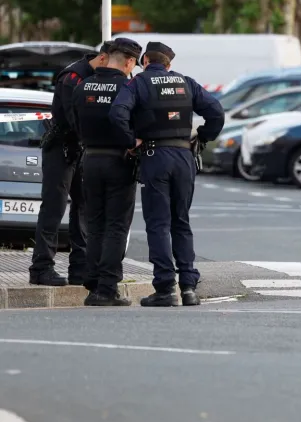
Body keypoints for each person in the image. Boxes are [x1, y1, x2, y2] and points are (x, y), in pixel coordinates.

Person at [109, 42, 225, 307]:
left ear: (145, 61)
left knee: (159, 224)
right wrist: (203, 137)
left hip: (154, 157)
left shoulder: (139, 83)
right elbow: (216, 112)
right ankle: (188, 288)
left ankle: (164, 289)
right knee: (181, 222)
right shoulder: (186, 83)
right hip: (184, 157)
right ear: (168, 64)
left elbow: (118, 112)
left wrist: (130, 141)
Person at [28, 41, 112, 286]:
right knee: (54, 208)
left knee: (83, 208)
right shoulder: (73, 77)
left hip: (80, 149)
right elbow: (75, 117)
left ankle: (80, 268)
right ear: (104, 58)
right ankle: (41, 267)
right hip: (61, 149)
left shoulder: (94, 78)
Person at [72, 38, 141, 306]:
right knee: (116, 225)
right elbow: (135, 123)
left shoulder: (83, 85)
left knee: (94, 224)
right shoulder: (128, 87)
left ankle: (93, 283)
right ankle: (107, 287)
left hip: (89, 159)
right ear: (129, 62)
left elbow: (74, 121)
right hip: (119, 160)